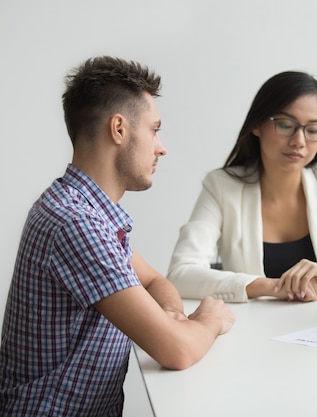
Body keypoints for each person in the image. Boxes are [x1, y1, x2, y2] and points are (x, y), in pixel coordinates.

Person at [0, 56, 235, 416]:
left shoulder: (85, 211)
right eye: (154, 129)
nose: (161, 147)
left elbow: (155, 280)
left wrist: (172, 315)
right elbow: (179, 351)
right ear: (119, 129)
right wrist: (210, 319)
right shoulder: (76, 224)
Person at [167, 71, 317, 303]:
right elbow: (181, 274)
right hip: (248, 332)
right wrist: (275, 287)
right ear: (257, 125)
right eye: (286, 125)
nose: (299, 141)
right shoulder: (222, 186)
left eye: (313, 130)